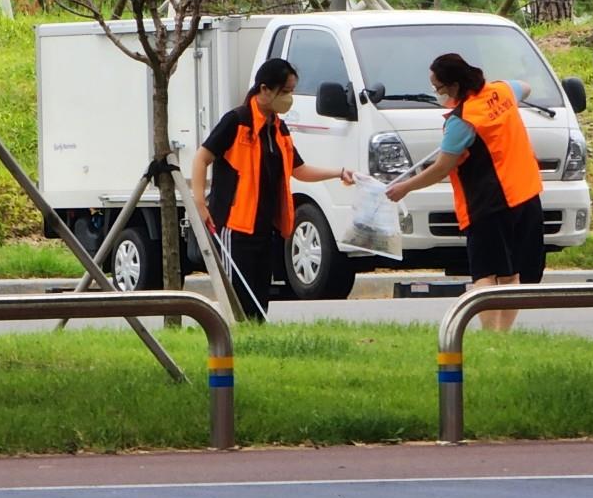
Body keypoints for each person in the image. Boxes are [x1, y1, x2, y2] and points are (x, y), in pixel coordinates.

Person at [386, 53, 544, 331]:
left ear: (455, 85)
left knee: (485, 273)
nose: (437, 93)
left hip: (489, 203)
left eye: (439, 87)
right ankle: (502, 337)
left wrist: (404, 188)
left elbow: (441, 167)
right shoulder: (502, 91)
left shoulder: (461, 121)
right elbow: (525, 87)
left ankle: (489, 335)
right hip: (526, 194)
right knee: (511, 274)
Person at [191, 58, 355, 321]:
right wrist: (199, 204)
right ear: (265, 90)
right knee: (240, 300)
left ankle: (256, 343)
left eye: (291, 91)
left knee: (260, 298)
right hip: (236, 226)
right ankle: (236, 344)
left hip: (266, 227)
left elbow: (297, 169)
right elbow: (201, 158)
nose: (289, 98)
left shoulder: (278, 127)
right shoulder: (237, 121)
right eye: (286, 91)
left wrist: (338, 172)